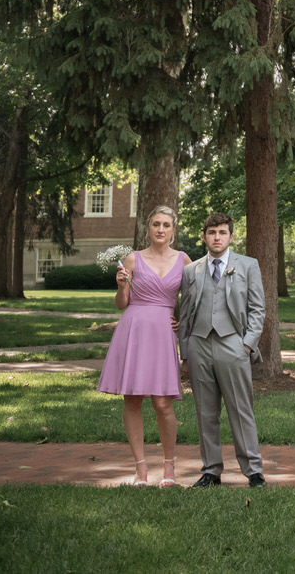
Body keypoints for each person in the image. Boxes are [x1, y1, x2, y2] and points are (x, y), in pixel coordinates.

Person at [97, 205, 189, 487]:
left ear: (174, 231)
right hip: (133, 330)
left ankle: (169, 467)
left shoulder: (185, 260)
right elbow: (121, 304)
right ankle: (140, 469)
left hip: (163, 333)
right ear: (148, 228)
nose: (160, 230)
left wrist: (181, 321)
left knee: (162, 403)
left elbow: (196, 300)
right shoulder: (133, 259)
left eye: (166, 225)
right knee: (133, 399)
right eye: (156, 224)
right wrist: (122, 285)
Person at [177, 211, 267, 488]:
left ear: (230, 236)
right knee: (206, 411)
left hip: (233, 343)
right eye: (212, 233)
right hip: (199, 343)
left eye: (222, 232)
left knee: (241, 409)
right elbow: (184, 312)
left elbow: (257, 309)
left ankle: (253, 470)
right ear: (204, 237)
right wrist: (185, 350)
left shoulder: (248, 265)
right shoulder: (191, 271)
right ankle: (211, 470)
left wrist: (247, 345)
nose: (217, 237)